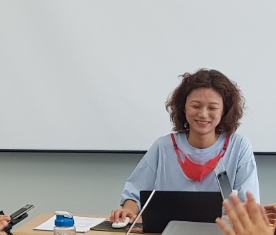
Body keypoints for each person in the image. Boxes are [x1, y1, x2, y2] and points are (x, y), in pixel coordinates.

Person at [110, 69, 260, 225]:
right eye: (196, 106)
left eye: (212, 108)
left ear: (225, 110)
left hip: (223, 234)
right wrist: (128, 210)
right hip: (164, 234)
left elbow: (249, 205)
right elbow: (134, 192)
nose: (203, 114)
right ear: (183, 107)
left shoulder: (239, 146)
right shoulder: (163, 147)